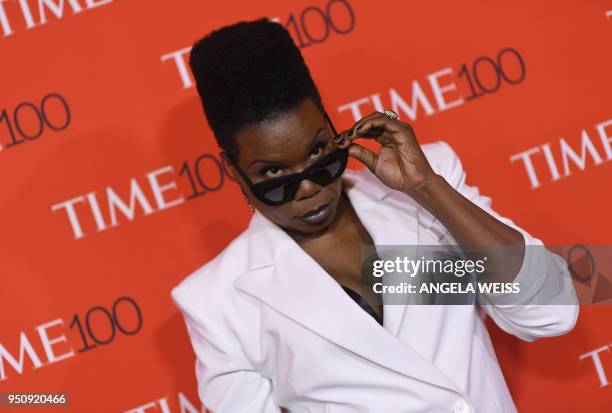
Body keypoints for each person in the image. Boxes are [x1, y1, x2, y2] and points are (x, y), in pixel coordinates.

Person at [171, 17, 579, 413]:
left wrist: (427, 189)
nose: (310, 188)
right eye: (274, 175)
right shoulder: (217, 302)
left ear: (336, 131)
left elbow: (551, 312)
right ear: (236, 172)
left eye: (319, 155)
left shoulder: (424, 194)